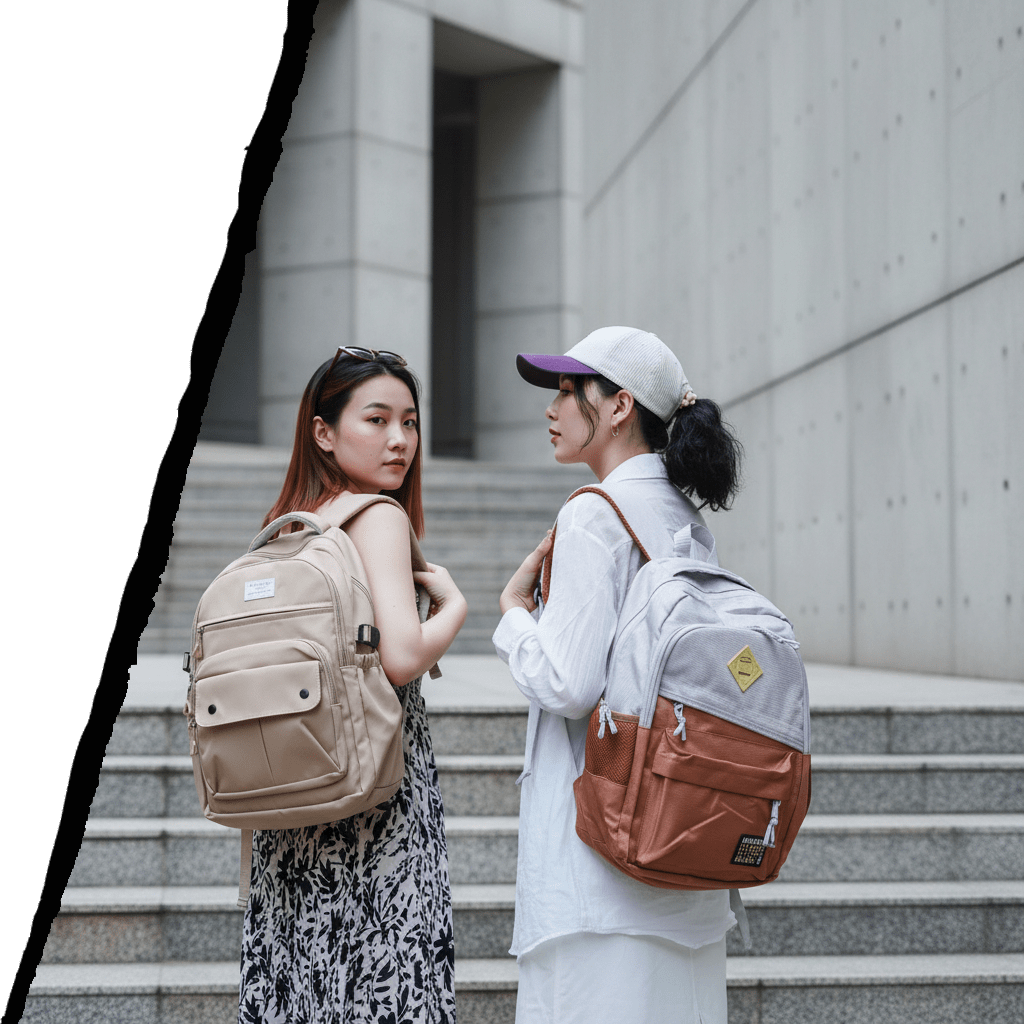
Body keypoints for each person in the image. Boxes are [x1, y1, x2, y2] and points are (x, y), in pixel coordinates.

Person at [493, 326, 743, 1023]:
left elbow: (569, 685)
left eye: (568, 391)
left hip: (599, 870)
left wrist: (514, 615)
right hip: (682, 850)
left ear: (619, 406)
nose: (552, 408)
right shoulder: (683, 518)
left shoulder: (593, 515)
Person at [238, 347, 467, 1024]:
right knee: (384, 983)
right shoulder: (379, 516)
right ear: (324, 431)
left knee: (305, 988)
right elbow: (401, 657)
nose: (400, 440)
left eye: (409, 422)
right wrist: (455, 607)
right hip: (374, 797)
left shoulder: (288, 529)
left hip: (292, 799)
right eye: (377, 419)